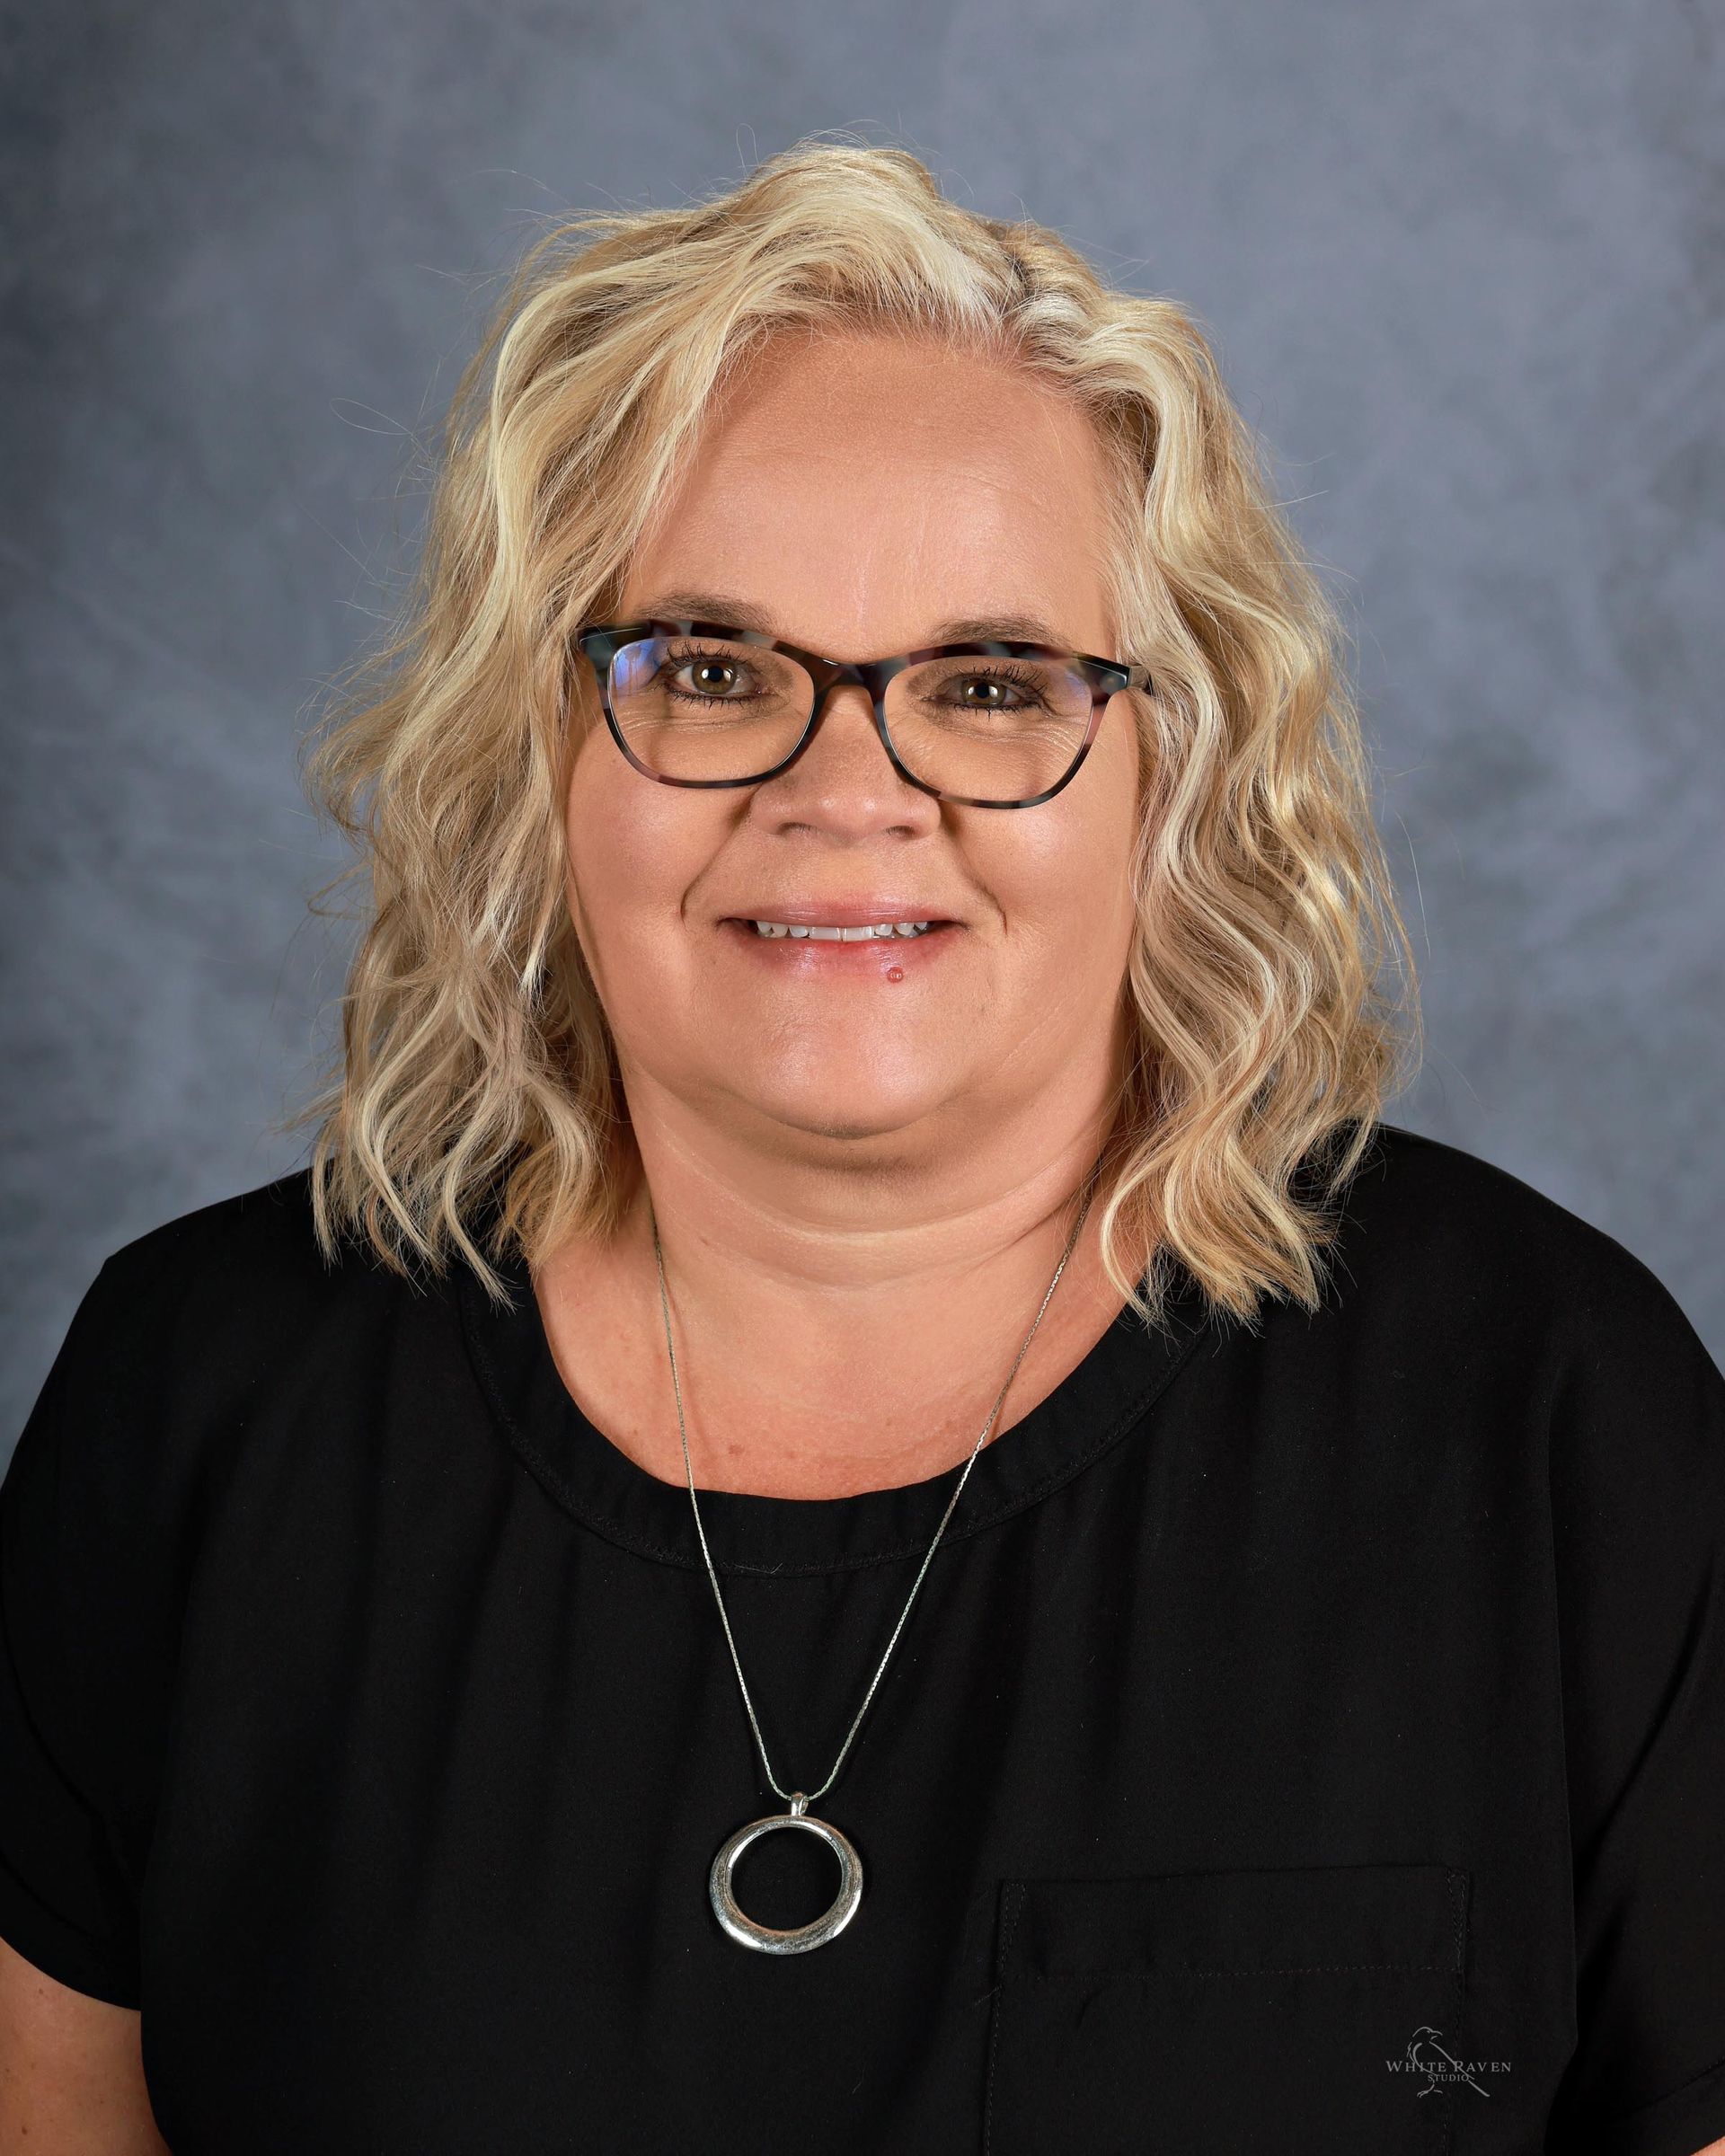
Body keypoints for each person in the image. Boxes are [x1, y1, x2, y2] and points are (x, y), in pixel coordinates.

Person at [2, 138, 1721, 2156]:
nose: (848, 788)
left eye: (991, 685)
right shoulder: (203, 1399)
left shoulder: (1544, 1412)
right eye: (710, 671)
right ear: (533, 749)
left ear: (1178, 767)